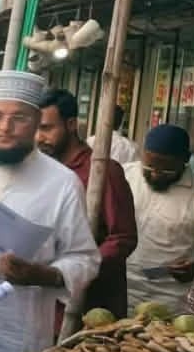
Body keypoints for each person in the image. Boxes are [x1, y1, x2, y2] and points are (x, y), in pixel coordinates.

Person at [0, 71, 99, 352]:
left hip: (17, 331)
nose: (5, 127)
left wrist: (41, 274)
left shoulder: (62, 183)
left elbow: (85, 258)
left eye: (19, 118)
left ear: (36, 122)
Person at [36, 88, 137, 321]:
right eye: (35, 129)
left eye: (46, 128)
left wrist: (76, 270)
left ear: (71, 124)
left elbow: (122, 238)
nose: (39, 138)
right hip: (46, 301)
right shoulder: (42, 170)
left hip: (90, 307)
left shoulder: (103, 171)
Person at [124, 124, 194, 313]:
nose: (155, 174)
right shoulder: (125, 176)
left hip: (169, 299)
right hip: (121, 288)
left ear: (186, 160)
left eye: (166, 170)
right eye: (149, 166)